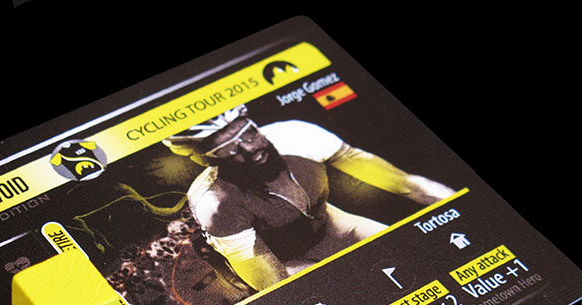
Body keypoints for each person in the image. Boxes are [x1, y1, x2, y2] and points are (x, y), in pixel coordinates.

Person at [163, 105, 456, 291]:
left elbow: (406, 184)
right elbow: (276, 287)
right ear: (207, 161)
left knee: (418, 261)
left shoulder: (299, 136)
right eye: (229, 149)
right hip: (286, 260)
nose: (251, 149)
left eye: (249, 133)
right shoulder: (214, 202)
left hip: (337, 227)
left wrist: (461, 206)